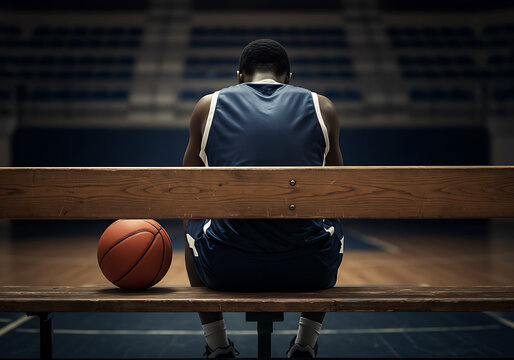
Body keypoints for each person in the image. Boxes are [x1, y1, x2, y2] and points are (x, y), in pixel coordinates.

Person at [182, 39, 344, 359]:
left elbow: (187, 190)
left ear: (240, 76)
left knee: (190, 216)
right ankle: (305, 343)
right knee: (334, 212)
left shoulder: (208, 105)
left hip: (226, 268)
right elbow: (337, 191)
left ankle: (217, 345)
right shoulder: (322, 107)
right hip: (309, 269)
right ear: (289, 77)